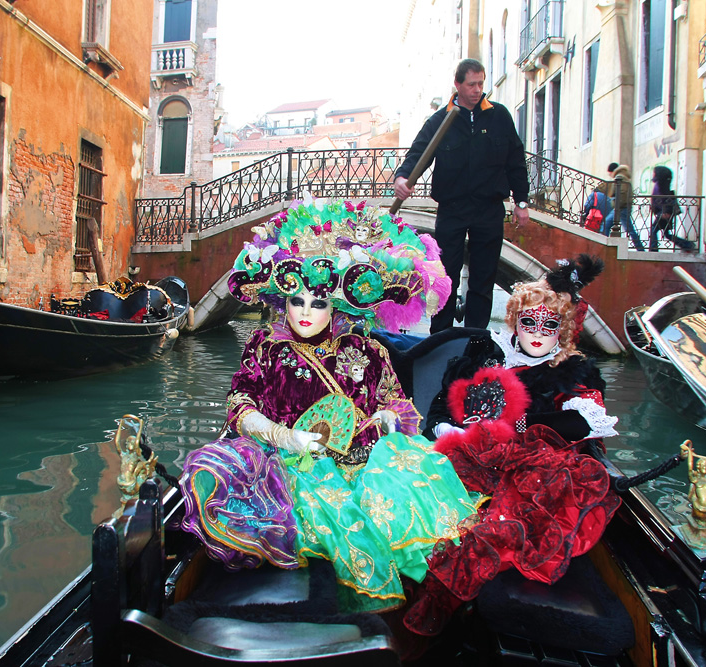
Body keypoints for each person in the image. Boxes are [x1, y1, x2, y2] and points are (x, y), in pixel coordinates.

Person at [179, 197, 478, 614]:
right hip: (287, 466)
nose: (305, 311)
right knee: (213, 470)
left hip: (366, 462)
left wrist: (388, 417)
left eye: (317, 302)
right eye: (296, 300)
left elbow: (395, 401)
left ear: (334, 304)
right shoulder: (265, 346)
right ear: (281, 300)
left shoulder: (365, 348)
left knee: (401, 501)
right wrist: (285, 436)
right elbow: (240, 403)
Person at [402, 254, 622, 636]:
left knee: (487, 528)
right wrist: (447, 430)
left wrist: (515, 425)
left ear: (562, 330)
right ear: (515, 322)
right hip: (463, 457)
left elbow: (581, 423)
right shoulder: (485, 353)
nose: (538, 332)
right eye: (529, 322)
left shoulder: (571, 371)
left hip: (524, 469)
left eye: (549, 324)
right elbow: (442, 406)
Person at [393, 58, 530, 333]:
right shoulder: (439, 120)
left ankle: (475, 337)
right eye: (471, 85)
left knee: (483, 276)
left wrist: (521, 201)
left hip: (489, 209)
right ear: (457, 84)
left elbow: (516, 160)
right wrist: (401, 178)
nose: (477, 90)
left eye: (480, 84)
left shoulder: (499, 116)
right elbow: (419, 153)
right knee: (445, 275)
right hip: (452, 209)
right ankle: (440, 336)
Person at [649, 165, 694, 252]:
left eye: (654, 172)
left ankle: (653, 249)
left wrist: (664, 212)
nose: (653, 174)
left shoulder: (659, 186)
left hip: (664, 213)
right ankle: (687, 245)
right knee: (666, 233)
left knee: (654, 230)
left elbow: (661, 200)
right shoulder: (663, 185)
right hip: (665, 212)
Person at [601, 163, 645, 251]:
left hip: (621, 207)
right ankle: (603, 244)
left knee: (629, 229)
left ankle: (640, 249)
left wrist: (617, 205)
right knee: (607, 224)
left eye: (609, 173)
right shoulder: (622, 176)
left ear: (612, 171)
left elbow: (622, 193)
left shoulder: (620, 177)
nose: (609, 175)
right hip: (621, 207)